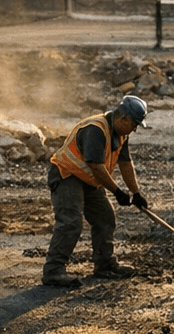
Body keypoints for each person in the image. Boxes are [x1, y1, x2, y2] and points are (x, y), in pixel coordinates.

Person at [42, 95, 149, 289]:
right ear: (123, 118)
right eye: (134, 124)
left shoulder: (121, 134)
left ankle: (104, 265)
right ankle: (53, 272)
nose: (134, 129)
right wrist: (117, 192)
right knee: (71, 222)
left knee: (105, 218)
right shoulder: (96, 129)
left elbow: (125, 164)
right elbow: (96, 166)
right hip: (67, 175)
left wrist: (136, 193)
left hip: (89, 178)